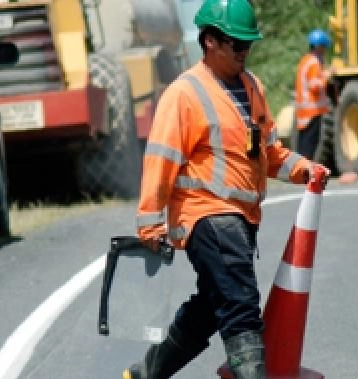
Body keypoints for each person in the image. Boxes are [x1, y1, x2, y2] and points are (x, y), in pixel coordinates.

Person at [125, 0, 329, 378]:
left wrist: (303, 169)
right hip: (206, 215)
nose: (244, 53)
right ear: (210, 42)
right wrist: (150, 223)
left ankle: (144, 374)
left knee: (211, 306)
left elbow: (267, 152)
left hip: (240, 218)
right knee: (240, 303)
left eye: (248, 45)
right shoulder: (184, 94)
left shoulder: (252, 87)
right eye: (236, 45)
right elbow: (160, 159)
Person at [294, 28, 333, 160]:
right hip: (312, 110)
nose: (324, 50)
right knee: (309, 146)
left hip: (304, 111)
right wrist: (327, 76)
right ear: (319, 46)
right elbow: (314, 86)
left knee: (303, 145)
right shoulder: (314, 62)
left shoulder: (305, 60)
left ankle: (301, 173)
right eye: (324, 47)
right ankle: (306, 175)